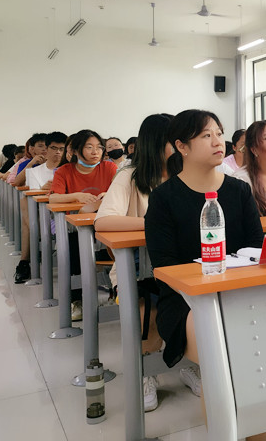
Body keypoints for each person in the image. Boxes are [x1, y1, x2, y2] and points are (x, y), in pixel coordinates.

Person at [144, 110, 266, 440]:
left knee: (261, 358)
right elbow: (165, 267)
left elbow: (257, 248)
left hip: (240, 292)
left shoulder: (239, 190)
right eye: (206, 135)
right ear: (182, 147)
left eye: (219, 133)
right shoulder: (164, 198)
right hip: (186, 301)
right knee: (227, 358)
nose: (218, 142)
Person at [95, 114, 173, 412]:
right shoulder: (130, 175)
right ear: (157, 143)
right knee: (147, 306)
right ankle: (146, 370)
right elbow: (104, 220)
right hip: (138, 268)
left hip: (182, 263)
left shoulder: (188, 173)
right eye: (175, 140)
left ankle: (191, 363)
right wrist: (155, 224)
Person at [49, 129, 118, 320]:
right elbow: (53, 198)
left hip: (105, 222)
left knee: (119, 248)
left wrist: (108, 195)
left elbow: (119, 192)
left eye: (99, 147)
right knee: (74, 249)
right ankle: (77, 300)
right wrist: (76, 196)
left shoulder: (109, 167)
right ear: (76, 150)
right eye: (89, 147)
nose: (95, 152)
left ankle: (117, 291)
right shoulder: (65, 171)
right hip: (76, 228)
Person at [12, 132, 66, 283]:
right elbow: (35, 201)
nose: (58, 152)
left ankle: (26, 261)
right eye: (54, 148)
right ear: (46, 149)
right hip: (46, 215)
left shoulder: (70, 169)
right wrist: (44, 189)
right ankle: (26, 261)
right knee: (26, 205)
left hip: (68, 214)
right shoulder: (34, 172)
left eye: (62, 149)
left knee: (27, 215)